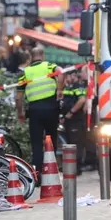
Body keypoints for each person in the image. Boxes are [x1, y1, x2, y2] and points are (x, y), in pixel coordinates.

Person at [15, 46, 65, 175]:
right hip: (51, 109)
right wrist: (59, 90)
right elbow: (61, 73)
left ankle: (37, 174)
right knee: (51, 140)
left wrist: (20, 113)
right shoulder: (49, 66)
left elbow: (18, 98)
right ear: (42, 56)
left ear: (31, 57)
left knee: (36, 144)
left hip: (34, 111)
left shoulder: (25, 73)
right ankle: (51, 172)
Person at [61, 70, 87, 175]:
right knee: (70, 143)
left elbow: (82, 100)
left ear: (73, 75)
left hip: (76, 120)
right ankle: (71, 166)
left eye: (67, 76)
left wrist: (71, 112)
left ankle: (77, 168)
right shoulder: (68, 87)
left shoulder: (77, 86)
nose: (66, 78)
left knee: (75, 144)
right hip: (68, 120)